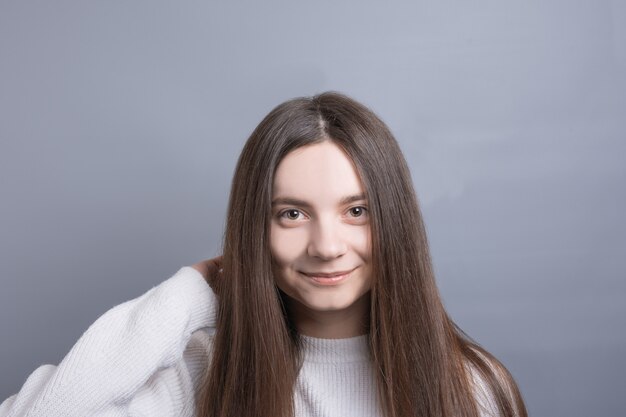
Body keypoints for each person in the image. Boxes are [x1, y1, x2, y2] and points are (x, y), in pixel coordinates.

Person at [0, 92, 528, 417]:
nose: (325, 247)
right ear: (256, 230)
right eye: (291, 214)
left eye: (357, 211)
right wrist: (189, 293)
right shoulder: (206, 376)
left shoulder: (472, 387)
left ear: (397, 221)